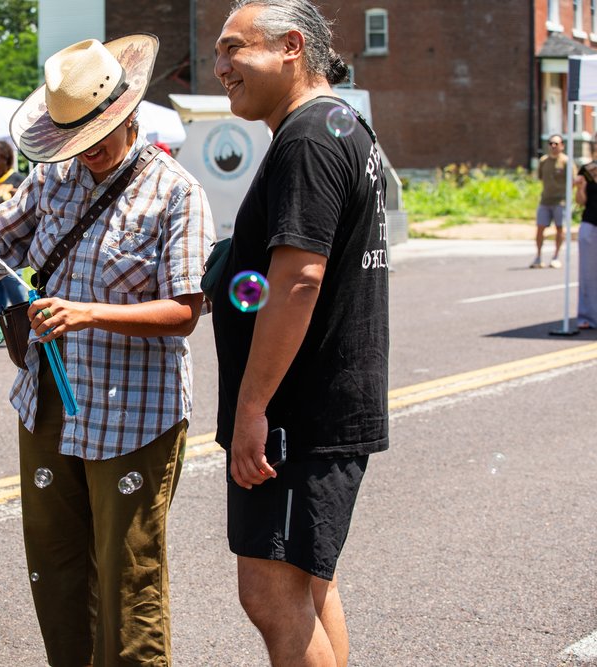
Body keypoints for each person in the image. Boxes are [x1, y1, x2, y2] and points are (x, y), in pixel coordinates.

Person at [0, 34, 213, 667]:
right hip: (48, 398)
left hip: (136, 412)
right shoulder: (51, 177)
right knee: (56, 565)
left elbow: (185, 313)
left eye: (97, 132)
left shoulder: (176, 191)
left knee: (128, 573)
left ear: (128, 112)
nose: (88, 147)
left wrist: (88, 313)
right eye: (74, 135)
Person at [211, 2, 389, 666]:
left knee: (271, 593)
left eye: (234, 48)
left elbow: (298, 279)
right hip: (321, 405)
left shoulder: (308, 137)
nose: (221, 66)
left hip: (297, 414)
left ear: (291, 47)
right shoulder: (338, 125)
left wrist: (252, 407)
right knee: (310, 583)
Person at [0, 140, 28, 326]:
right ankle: (5, 331)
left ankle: (27, 326)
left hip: (11, 245)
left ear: (6, 159)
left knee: (15, 290)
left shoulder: (18, 180)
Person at [533, 133, 568, 269]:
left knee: (559, 228)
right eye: (551, 143)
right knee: (540, 227)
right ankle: (538, 257)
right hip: (545, 200)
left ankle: (556, 257)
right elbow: (540, 177)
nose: (553, 146)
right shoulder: (543, 161)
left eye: (556, 143)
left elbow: (573, 181)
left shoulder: (566, 161)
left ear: (562, 146)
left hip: (560, 201)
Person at [574, 147, 597, 330]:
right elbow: (581, 201)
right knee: (587, 273)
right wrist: (580, 187)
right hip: (590, 223)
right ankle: (587, 316)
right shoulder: (588, 170)